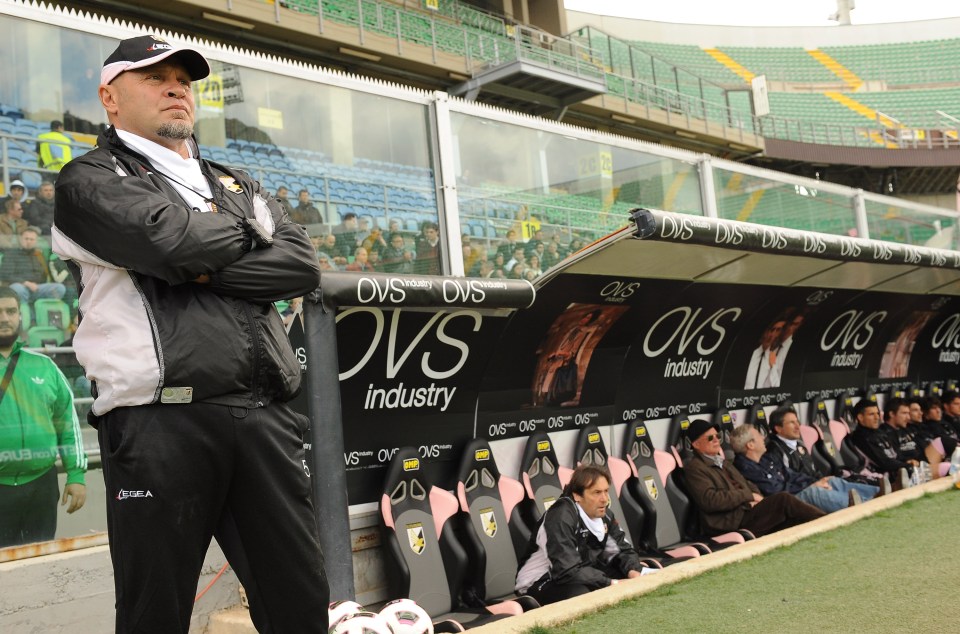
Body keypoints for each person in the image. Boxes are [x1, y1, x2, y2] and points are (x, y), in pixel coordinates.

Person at [51, 35, 328, 632]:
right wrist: (241, 236)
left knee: (300, 605)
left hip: (263, 417)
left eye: (183, 78)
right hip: (158, 420)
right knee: (157, 612)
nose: (176, 87)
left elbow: (301, 266)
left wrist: (192, 253)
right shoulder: (88, 179)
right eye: (154, 77)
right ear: (110, 97)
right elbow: (166, 244)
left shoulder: (233, 179)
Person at [0, 287, 86, 547]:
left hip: (42, 484)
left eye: (11, 311)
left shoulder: (45, 366)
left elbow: (67, 423)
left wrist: (76, 475)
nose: (4, 317)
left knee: (43, 559)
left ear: (20, 316)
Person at [515, 464, 650, 605]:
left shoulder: (604, 514)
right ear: (577, 495)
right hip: (539, 581)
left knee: (638, 571)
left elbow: (620, 550)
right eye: (597, 492)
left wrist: (633, 571)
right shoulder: (560, 517)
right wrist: (611, 582)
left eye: (606, 491)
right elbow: (566, 570)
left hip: (578, 572)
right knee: (582, 594)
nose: (604, 499)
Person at [683, 419, 825, 537]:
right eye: (710, 438)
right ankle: (827, 523)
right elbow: (711, 500)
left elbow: (748, 484)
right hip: (729, 523)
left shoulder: (723, 462)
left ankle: (822, 531)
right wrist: (748, 497)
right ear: (696, 444)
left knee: (791, 520)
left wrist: (755, 499)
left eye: (717, 436)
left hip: (746, 513)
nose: (716, 440)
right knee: (783, 499)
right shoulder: (695, 468)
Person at [731, 424, 877, 513]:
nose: (763, 438)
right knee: (814, 492)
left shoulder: (767, 457)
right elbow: (775, 490)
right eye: (758, 436)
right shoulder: (744, 468)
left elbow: (792, 475)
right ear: (750, 445)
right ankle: (864, 505)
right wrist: (811, 485)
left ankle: (878, 494)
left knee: (831, 481)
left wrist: (818, 480)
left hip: (794, 491)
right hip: (783, 503)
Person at [848, 399, 914, 486]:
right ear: (860, 417)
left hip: (895, 472)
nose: (877, 418)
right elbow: (883, 463)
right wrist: (907, 466)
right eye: (871, 414)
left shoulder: (880, 432)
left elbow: (896, 454)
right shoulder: (860, 437)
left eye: (877, 413)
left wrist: (908, 462)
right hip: (880, 478)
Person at [0, 227, 67, 304]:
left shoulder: (39, 255)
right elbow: (6, 275)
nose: (28, 241)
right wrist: (26, 283)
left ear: (36, 241)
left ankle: (41, 310)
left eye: (31, 239)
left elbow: (45, 275)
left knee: (60, 288)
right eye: (26, 238)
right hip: (20, 287)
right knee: (18, 289)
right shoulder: (11, 254)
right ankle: (25, 312)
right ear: (21, 239)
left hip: (38, 288)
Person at [744, 316, 786, 389]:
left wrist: (773, 366)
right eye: (771, 330)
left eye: (777, 330)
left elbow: (776, 385)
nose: (772, 335)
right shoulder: (750, 354)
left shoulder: (774, 357)